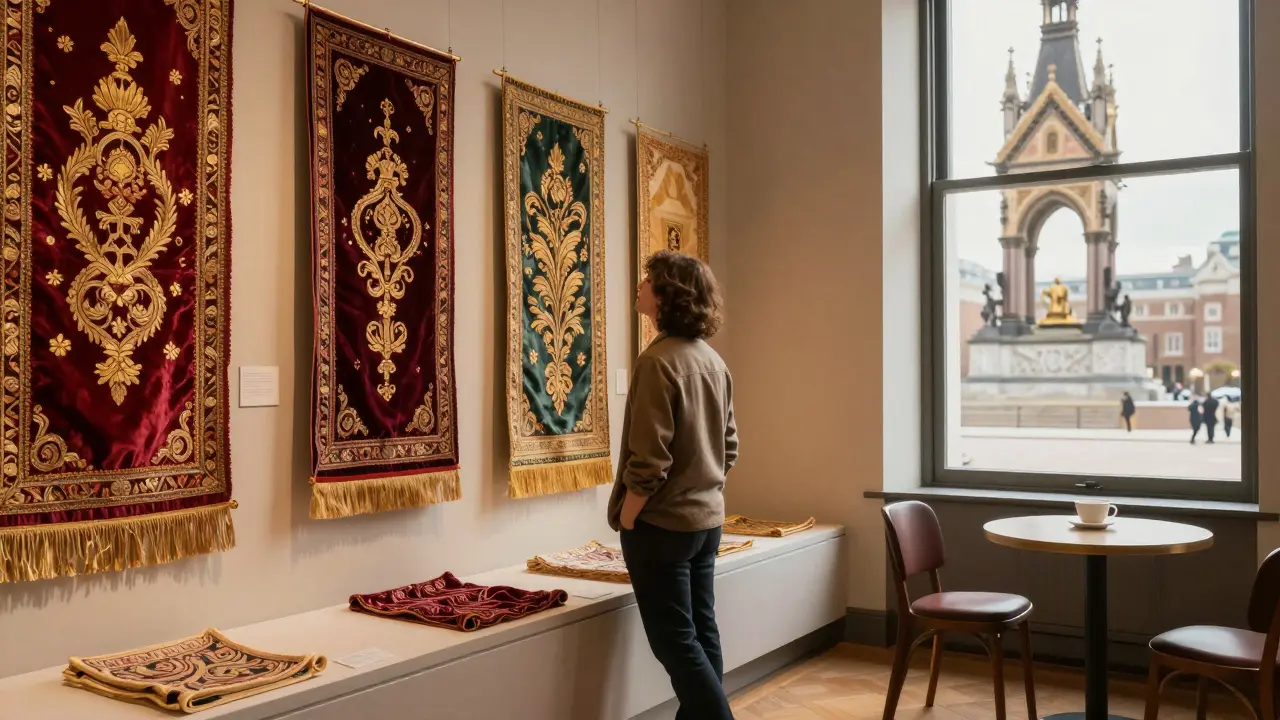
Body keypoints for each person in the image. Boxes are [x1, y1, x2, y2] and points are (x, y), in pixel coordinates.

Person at [607, 250, 737, 720]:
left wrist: (628, 516)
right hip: (707, 522)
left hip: (662, 528)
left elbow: (649, 460)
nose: (640, 287)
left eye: (648, 280)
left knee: (675, 644)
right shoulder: (712, 361)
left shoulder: (657, 362)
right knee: (702, 633)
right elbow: (730, 447)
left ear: (666, 295)